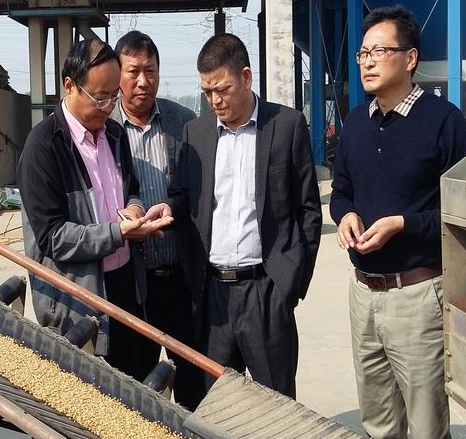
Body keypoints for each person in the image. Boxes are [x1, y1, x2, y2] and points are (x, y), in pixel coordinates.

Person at [144, 33, 322, 398]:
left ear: (246, 77)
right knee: (218, 404)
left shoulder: (286, 126)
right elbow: (183, 195)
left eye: (222, 89)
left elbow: (308, 210)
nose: (215, 100)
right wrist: (169, 207)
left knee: (276, 404)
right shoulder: (197, 132)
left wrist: (290, 284)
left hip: (266, 290)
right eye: (207, 92)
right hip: (213, 297)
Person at [330, 5, 466, 439]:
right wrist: (345, 216)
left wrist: (402, 224)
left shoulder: (443, 121)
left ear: (409, 58)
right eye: (363, 53)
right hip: (363, 294)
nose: (368, 62)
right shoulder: (357, 123)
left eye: (379, 51)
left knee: (427, 429)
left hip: (417, 295)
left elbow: (463, 212)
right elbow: (341, 192)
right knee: (378, 427)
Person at [18, 39, 171, 380]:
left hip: (126, 287)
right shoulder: (44, 147)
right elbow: (52, 238)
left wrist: (134, 209)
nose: (108, 107)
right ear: (69, 85)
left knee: (135, 387)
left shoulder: (113, 135)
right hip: (79, 300)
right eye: (100, 98)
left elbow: (131, 188)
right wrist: (118, 233)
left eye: (113, 97)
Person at [109, 30, 205, 410]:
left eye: (150, 71)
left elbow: (199, 193)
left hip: (180, 277)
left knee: (194, 380)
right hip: (133, 281)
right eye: (133, 71)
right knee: (137, 383)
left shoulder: (184, 123)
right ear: (117, 74)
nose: (143, 81)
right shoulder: (105, 128)